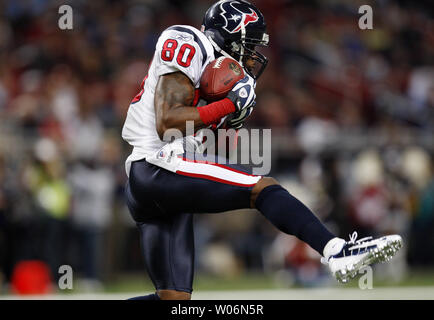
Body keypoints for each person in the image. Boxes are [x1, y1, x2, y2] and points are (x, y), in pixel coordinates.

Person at [121, 0, 402, 300]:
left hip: (159, 179)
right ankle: (336, 251)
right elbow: (168, 123)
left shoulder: (216, 74)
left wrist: (227, 115)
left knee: (174, 302)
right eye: (249, 45)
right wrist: (228, 105)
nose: (253, 58)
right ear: (228, 36)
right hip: (157, 164)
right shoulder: (189, 41)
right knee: (263, 188)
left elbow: (207, 136)